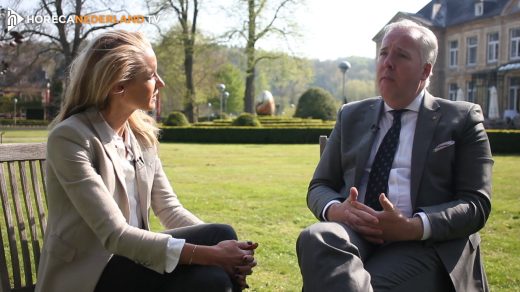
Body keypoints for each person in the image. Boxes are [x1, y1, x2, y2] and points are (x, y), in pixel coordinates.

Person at [36, 30, 258, 292]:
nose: (161, 83)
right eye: (151, 75)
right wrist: (214, 255)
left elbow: (169, 210)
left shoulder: (141, 136)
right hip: (90, 273)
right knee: (214, 270)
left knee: (221, 238)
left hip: (135, 260)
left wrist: (227, 253)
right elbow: (115, 235)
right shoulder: (71, 138)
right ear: (118, 85)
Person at [296, 19, 492, 292]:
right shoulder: (351, 115)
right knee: (316, 236)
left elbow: (476, 204)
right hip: (355, 232)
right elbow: (320, 186)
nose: (387, 62)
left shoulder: (461, 119)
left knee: (357, 284)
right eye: (384, 53)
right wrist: (337, 209)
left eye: (401, 55)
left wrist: (413, 226)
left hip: (422, 242)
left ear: (425, 70)